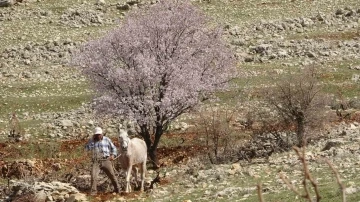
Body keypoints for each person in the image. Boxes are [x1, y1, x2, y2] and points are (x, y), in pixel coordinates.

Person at [85, 127, 120, 195]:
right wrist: (91, 142)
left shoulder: (107, 139)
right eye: (96, 134)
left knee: (112, 175)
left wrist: (113, 155)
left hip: (106, 159)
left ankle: (118, 190)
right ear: (94, 135)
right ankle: (93, 193)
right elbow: (86, 149)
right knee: (93, 176)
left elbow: (114, 149)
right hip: (96, 161)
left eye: (99, 134)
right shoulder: (92, 140)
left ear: (102, 134)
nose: (98, 136)